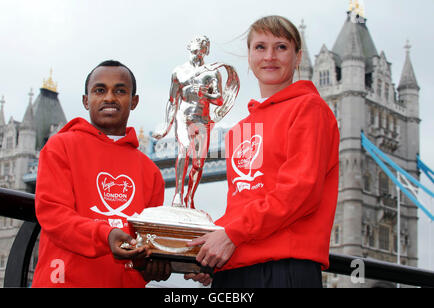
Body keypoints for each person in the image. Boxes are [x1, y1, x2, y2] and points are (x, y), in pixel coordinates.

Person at [185, 15, 340, 288]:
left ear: (298, 57)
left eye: (281, 47)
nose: (270, 56)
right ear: (249, 56)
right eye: (260, 47)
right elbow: (244, 199)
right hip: (235, 271)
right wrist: (212, 255)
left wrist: (230, 234)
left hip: (283, 270)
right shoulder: (242, 128)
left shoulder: (309, 109)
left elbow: (300, 192)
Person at [32, 60, 171, 287]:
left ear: (134, 101)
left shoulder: (151, 172)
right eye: (99, 90)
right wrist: (105, 236)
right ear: (86, 101)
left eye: (120, 90)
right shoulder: (60, 146)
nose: (109, 97)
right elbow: (53, 215)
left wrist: (151, 265)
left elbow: (146, 243)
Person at [152, 35, 224, 209]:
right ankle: (178, 194)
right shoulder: (178, 72)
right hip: (183, 117)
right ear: (189, 46)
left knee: (199, 162)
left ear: (207, 50)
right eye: (198, 41)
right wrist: (166, 127)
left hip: (202, 118)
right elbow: (172, 101)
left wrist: (205, 94)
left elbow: (219, 99)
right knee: (183, 151)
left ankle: (189, 198)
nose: (201, 45)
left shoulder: (212, 72)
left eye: (205, 44)